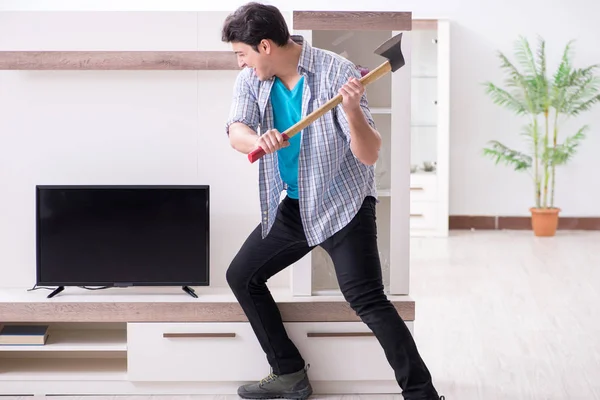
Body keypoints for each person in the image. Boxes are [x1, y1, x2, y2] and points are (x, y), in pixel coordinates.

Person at [221, 3, 442, 400]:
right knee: (242, 276)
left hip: (344, 204)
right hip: (292, 205)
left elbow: (370, 154)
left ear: (266, 46)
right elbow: (236, 130)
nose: (241, 62)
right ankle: (288, 372)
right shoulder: (252, 80)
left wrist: (353, 110)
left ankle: (422, 395)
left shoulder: (336, 72)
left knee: (368, 298)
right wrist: (258, 140)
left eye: (243, 53)